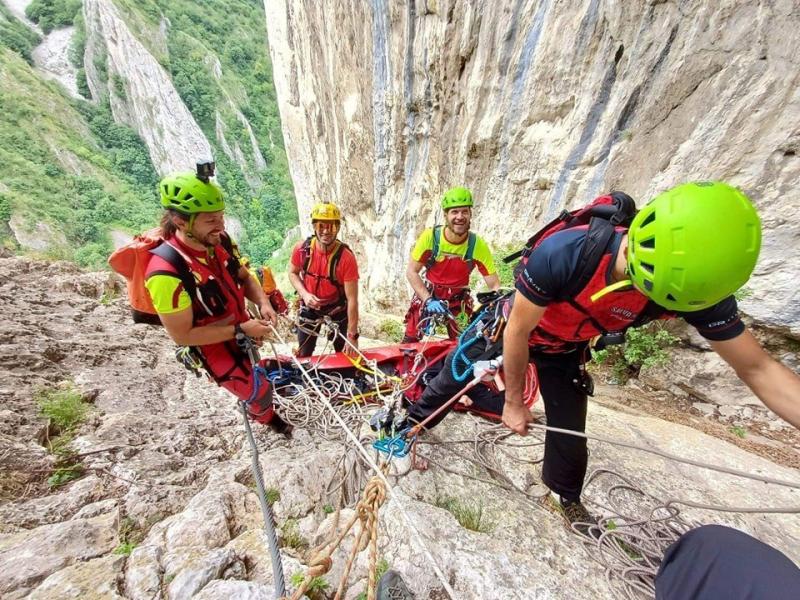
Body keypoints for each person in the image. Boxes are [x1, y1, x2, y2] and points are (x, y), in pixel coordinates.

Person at [403, 181, 800, 535]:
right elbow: (518, 332)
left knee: (571, 428)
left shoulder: (696, 281)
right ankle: (410, 422)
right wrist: (512, 403)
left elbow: (759, 367)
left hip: (565, 347)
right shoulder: (567, 252)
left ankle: (565, 496)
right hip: (515, 327)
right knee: (454, 373)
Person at [143, 165, 288, 431]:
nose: (220, 226)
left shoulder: (219, 242)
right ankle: (266, 417)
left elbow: (244, 277)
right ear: (180, 221)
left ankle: (260, 405)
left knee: (257, 371)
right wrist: (240, 329)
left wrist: (264, 303)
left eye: (221, 217)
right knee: (258, 390)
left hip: (240, 328)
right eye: (210, 220)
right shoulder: (165, 273)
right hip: (212, 345)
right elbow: (183, 335)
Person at [403, 187, 501, 343]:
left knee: (463, 343)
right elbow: (411, 272)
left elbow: (494, 284)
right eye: (454, 212)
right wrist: (428, 300)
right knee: (410, 339)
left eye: (464, 212)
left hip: (458, 301)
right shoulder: (431, 238)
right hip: (429, 294)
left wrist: (495, 308)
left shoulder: (477, 245)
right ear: (446, 215)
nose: (460, 217)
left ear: (470, 215)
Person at [288, 202, 360, 357]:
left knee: (345, 353)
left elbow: (352, 299)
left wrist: (352, 336)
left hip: (337, 308)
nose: (326, 231)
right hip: (310, 307)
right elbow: (292, 273)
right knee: (304, 352)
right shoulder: (302, 250)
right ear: (314, 227)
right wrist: (305, 295)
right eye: (321, 226)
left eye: (331, 227)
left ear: (338, 228)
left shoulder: (346, 258)